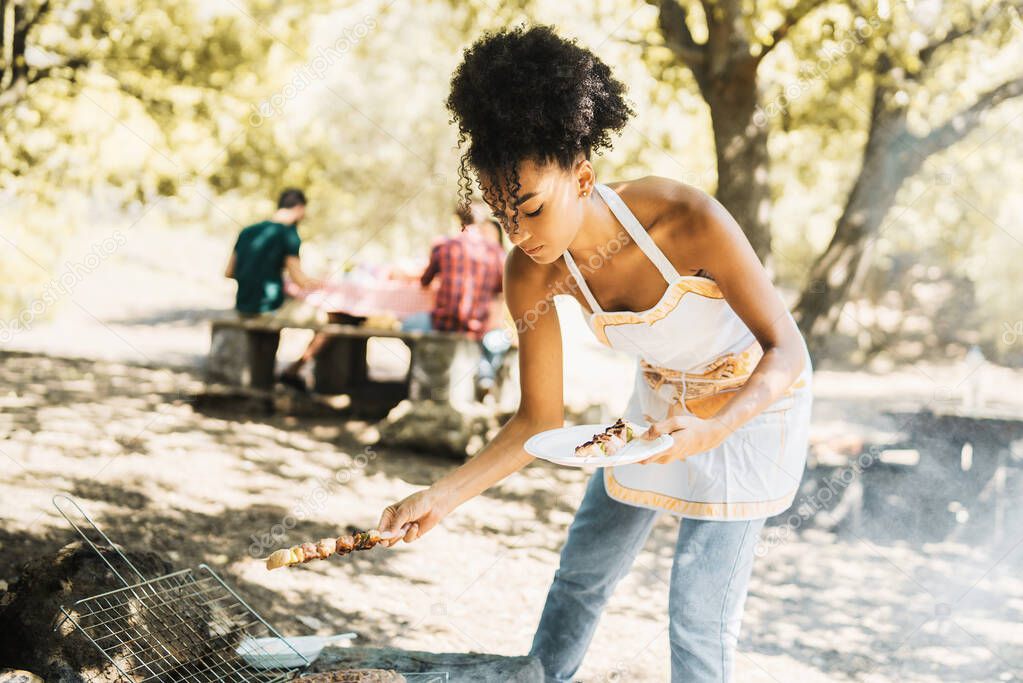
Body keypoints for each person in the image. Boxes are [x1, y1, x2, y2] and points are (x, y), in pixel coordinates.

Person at [375, 26, 814, 683]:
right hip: (656, 407)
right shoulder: (530, 272)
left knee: (697, 610)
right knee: (583, 566)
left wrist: (713, 427)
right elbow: (537, 423)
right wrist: (441, 496)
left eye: (528, 207)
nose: (517, 234)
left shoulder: (684, 217)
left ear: (582, 177)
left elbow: (789, 351)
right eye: (500, 215)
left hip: (751, 407)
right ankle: (540, 675)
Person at [401, 201, 509, 396]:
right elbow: (502, 290)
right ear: (483, 220)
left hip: (442, 322)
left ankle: (426, 368)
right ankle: (484, 375)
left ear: (457, 219)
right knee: (495, 338)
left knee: (405, 326)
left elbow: (425, 281)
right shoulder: (496, 253)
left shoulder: (444, 246)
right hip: (477, 327)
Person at [224, 188, 326, 391]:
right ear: (299, 209)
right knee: (326, 322)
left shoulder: (247, 231)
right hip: (268, 307)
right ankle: (293, 371)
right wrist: (322, 283)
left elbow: (229, 272)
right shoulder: (288, 234)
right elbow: (300, 280)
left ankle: (266, 380)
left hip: (243, 303)